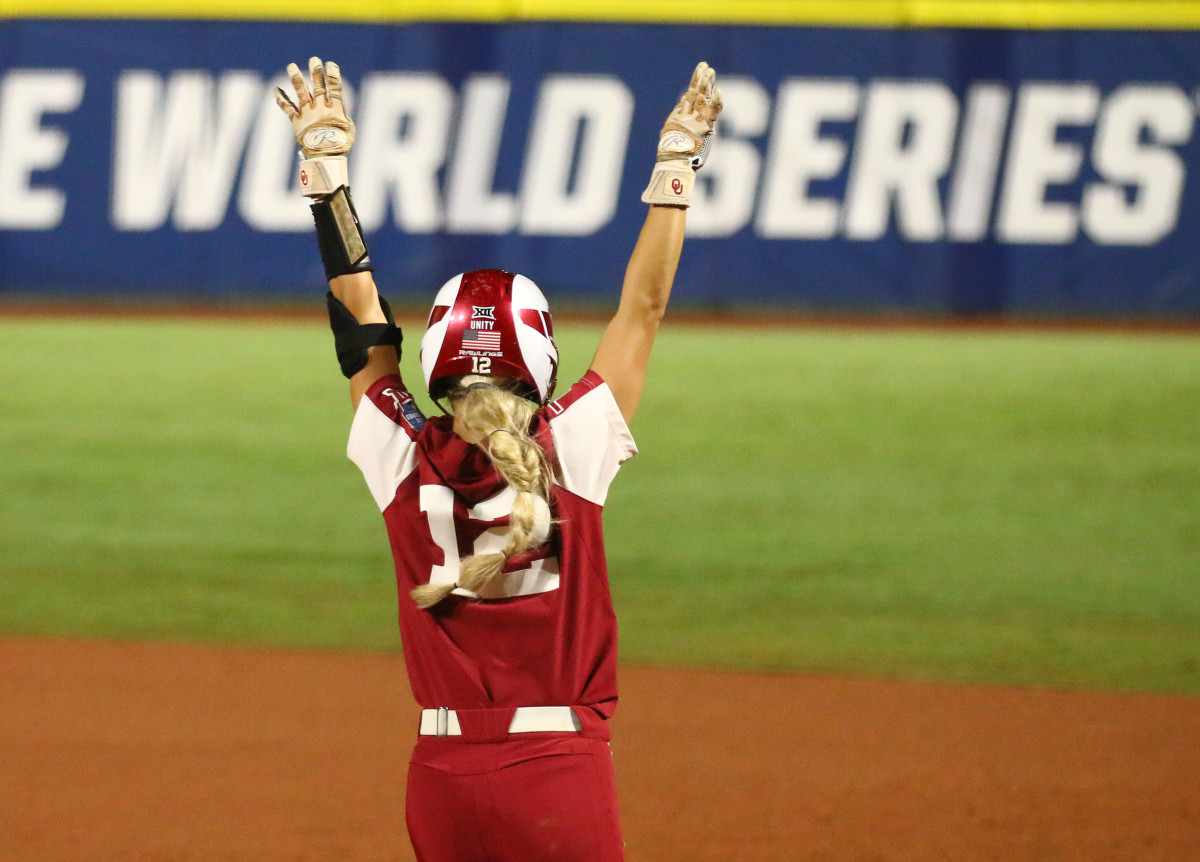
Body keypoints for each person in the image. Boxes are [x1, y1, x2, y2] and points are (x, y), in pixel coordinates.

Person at [275, 56, 721, 862]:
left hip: (440, 777)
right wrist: (676, 164)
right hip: (557, 774)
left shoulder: (399, 449)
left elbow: (361, 325)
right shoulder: (574, 444)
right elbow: (643, 309)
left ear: (441, 359)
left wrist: (326, 177)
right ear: (541, 357)